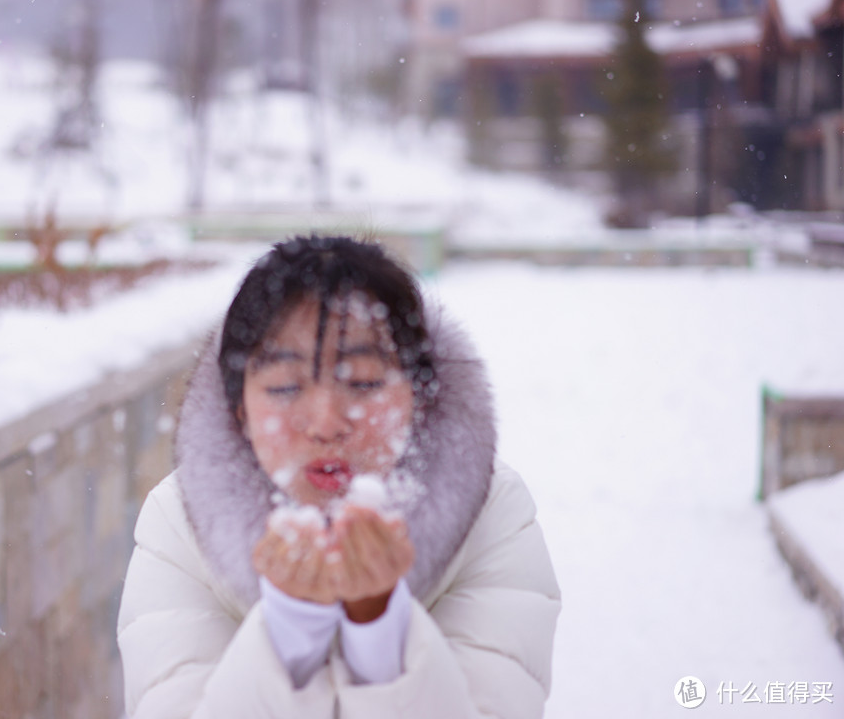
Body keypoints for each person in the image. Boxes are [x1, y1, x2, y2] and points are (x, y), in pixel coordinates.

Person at [117, 236, 560, 718]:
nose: (326, 423)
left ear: (420, 393)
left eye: (365, 383)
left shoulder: (489, 508)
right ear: (239, 407)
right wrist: (289, 629)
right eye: (286, 387)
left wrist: (379, 626)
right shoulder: (181, 521)